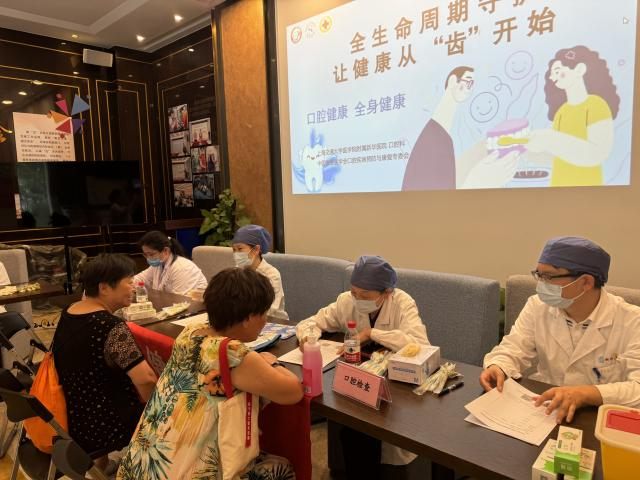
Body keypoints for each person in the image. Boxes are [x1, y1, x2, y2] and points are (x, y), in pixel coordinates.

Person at [117, 267, 303, 479]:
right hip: (187, 473)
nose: (265, 320)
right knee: (282, 468)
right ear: (249, 318)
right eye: (264, 313)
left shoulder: (190, 333)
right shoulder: (231, 354)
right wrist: (272, 363)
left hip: (142, 466)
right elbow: (293, 392)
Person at [480, 236, 640, 424]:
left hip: (598, 417)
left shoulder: (632, 321)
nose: (540, 284)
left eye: (548, 277)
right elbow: (514, 347)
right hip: (546, 410)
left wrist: (586, 393)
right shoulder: (537, 306)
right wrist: (498, 366)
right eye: (538, 274)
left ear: (586, 282)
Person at [297, 255, 429, 473]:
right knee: (353, 435)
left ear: (387, 292)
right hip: (355, 384)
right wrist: (306, 338)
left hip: (394, 389)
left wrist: (371, 333)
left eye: (365, 295)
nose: (357, 299)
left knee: (380, 441)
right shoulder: (346, 301)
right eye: (354, 292)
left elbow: (420, 344)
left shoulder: (402, 303)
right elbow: (311, 322)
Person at [53, 254, 157, 471]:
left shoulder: (69, 312)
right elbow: (145, 379)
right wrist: (156, 414)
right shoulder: (109, 326)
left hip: (76, 416)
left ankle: (100, 465)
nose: (133, 287)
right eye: (129, 282)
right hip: (108, 423)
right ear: (104, 288)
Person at [402, 66, 519, 191]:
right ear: (453, 81)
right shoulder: (432, 137)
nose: (470, 89)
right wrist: (475, 182)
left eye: (472, 84)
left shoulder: (442, 134)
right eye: (468, 82)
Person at [527, 46, 618, 186]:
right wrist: (531, 149)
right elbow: (560, 154)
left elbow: (598, 153)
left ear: (579, 70)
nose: (552, 77)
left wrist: (548, 139)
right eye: (552, 73)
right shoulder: (561, 112)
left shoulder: (596, 105)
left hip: (588, 187)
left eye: (558, 71)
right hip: (558, 186)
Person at [232, 225, 288, 320]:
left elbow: (271, 309)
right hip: (243, 319)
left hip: (273, 321)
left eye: (240, 249)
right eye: (234, 250)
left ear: (256, 249)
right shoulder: (237, 270)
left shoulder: (271, 274)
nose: (236, 253)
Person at [134, 231, 207, 296]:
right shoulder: (159, 264)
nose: (148, 258)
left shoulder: (182, 267)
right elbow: (139, 279)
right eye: (145, 255)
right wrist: (129, 284)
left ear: (166, 250)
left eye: (151, 254)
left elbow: (180, 300)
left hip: (194, 305)